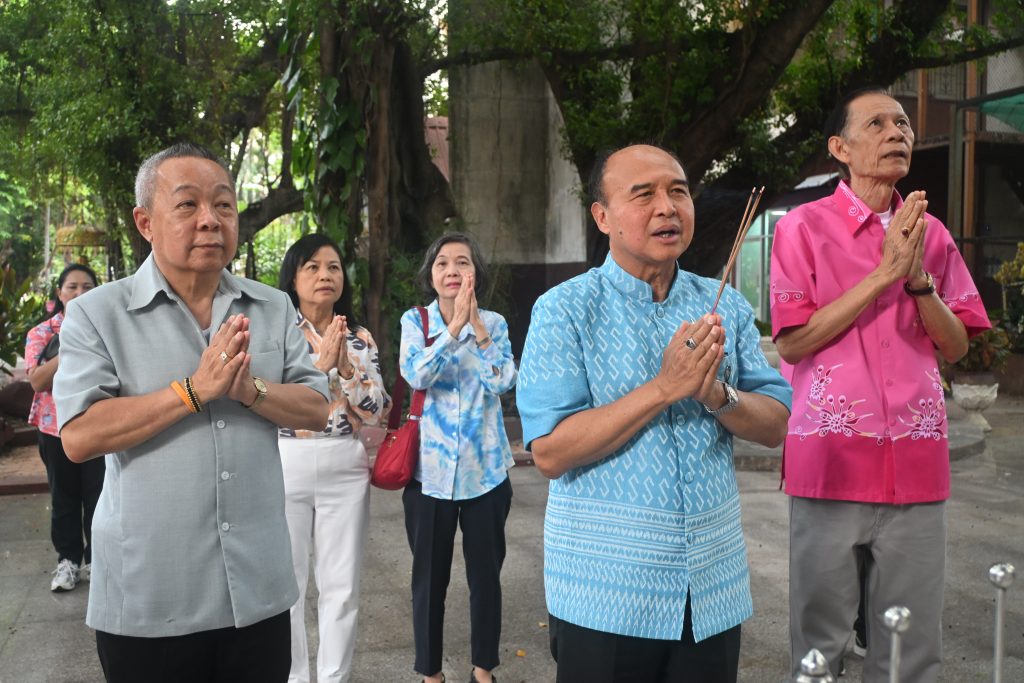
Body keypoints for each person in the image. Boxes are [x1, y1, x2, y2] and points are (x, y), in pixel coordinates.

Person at [52, 142, 330, 683]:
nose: (210, 220)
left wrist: (250, 391)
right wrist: (192, 391)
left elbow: (317, 408)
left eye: (224, 206)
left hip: (256, 592)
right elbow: (79, 436)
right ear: (145, 222)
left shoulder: (271, 307)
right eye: (187, 205)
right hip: (150, 596)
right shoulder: (96, 314)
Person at [517, 143, 793, 683]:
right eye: (643, 195)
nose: (667, 207)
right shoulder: (565, 309)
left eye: (678, 191)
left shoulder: (724, 305)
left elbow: (776, 422)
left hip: (711, 591)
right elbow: (550, 451)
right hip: (604, 595)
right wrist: (665, 389)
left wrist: (718, 396)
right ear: (602, 216)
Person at [769, 87, 990, 682]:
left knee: (910, 646)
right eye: (878, 123)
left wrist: (917, 280)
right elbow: (792, 341)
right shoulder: (801, 229)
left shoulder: (932, 234)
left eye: (903, 122)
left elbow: (958, 344)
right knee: (820, 644)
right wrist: (883, 274)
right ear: (840, 147)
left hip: (917, 462)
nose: (898, 132)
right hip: (831, 460)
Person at [399, 232, 517, 683]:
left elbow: (504, 380)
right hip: (429, 475)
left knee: (485, 577)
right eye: (443, 263)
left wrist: (479, 331)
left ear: (475, 274)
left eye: (462, 263)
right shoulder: (416, 321)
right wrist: (452, 331)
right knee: (429, 582)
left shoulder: (495, 322)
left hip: (485, 473)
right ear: (431, 275)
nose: (452, 271)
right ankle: (430, 673)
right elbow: (417, 374)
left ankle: (483, 669)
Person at [277, 233, 390, 683]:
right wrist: (319, 368)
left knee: (341, 587)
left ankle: (334, 679)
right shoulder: (276, 329)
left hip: (345, 464)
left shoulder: (359, 336)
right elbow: (265, 394)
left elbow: (376, 408)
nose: (325, 275)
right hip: (286, 459)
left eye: (334, 267)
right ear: (293, 277)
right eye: (313, 267)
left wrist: (346, 368)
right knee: (286, 587)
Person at [24, 263, 105, 592]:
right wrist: (70, 339)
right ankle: (68, 561)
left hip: (99, 425)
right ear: (60, 293)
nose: (79, 293)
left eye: (87, 287)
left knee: (100, 496)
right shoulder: (42, 333)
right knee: (64, 497)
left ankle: (98, 562)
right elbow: (37, 380)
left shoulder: (105, 329)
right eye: (72, 287)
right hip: (54, 428)